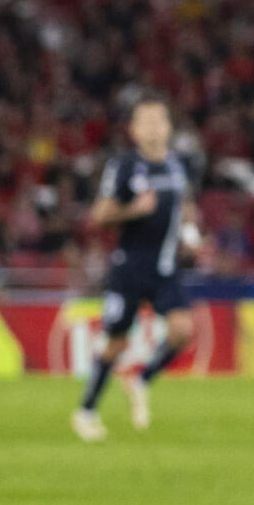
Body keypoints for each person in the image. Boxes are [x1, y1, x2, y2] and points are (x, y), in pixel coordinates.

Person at [74, 97, 200, 442]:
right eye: (145, 122)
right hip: (130, 267)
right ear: (133, 130)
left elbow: (186, 206)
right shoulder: (126, 167)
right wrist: (133, 210)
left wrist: (191, 234)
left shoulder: (178, 166)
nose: (153, 127)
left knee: (183, 330)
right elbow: (100, 214)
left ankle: (141, 380)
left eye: (159, 120)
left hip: (165, 268)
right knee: (116, 342)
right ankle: (86, 411)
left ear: (169, 127)